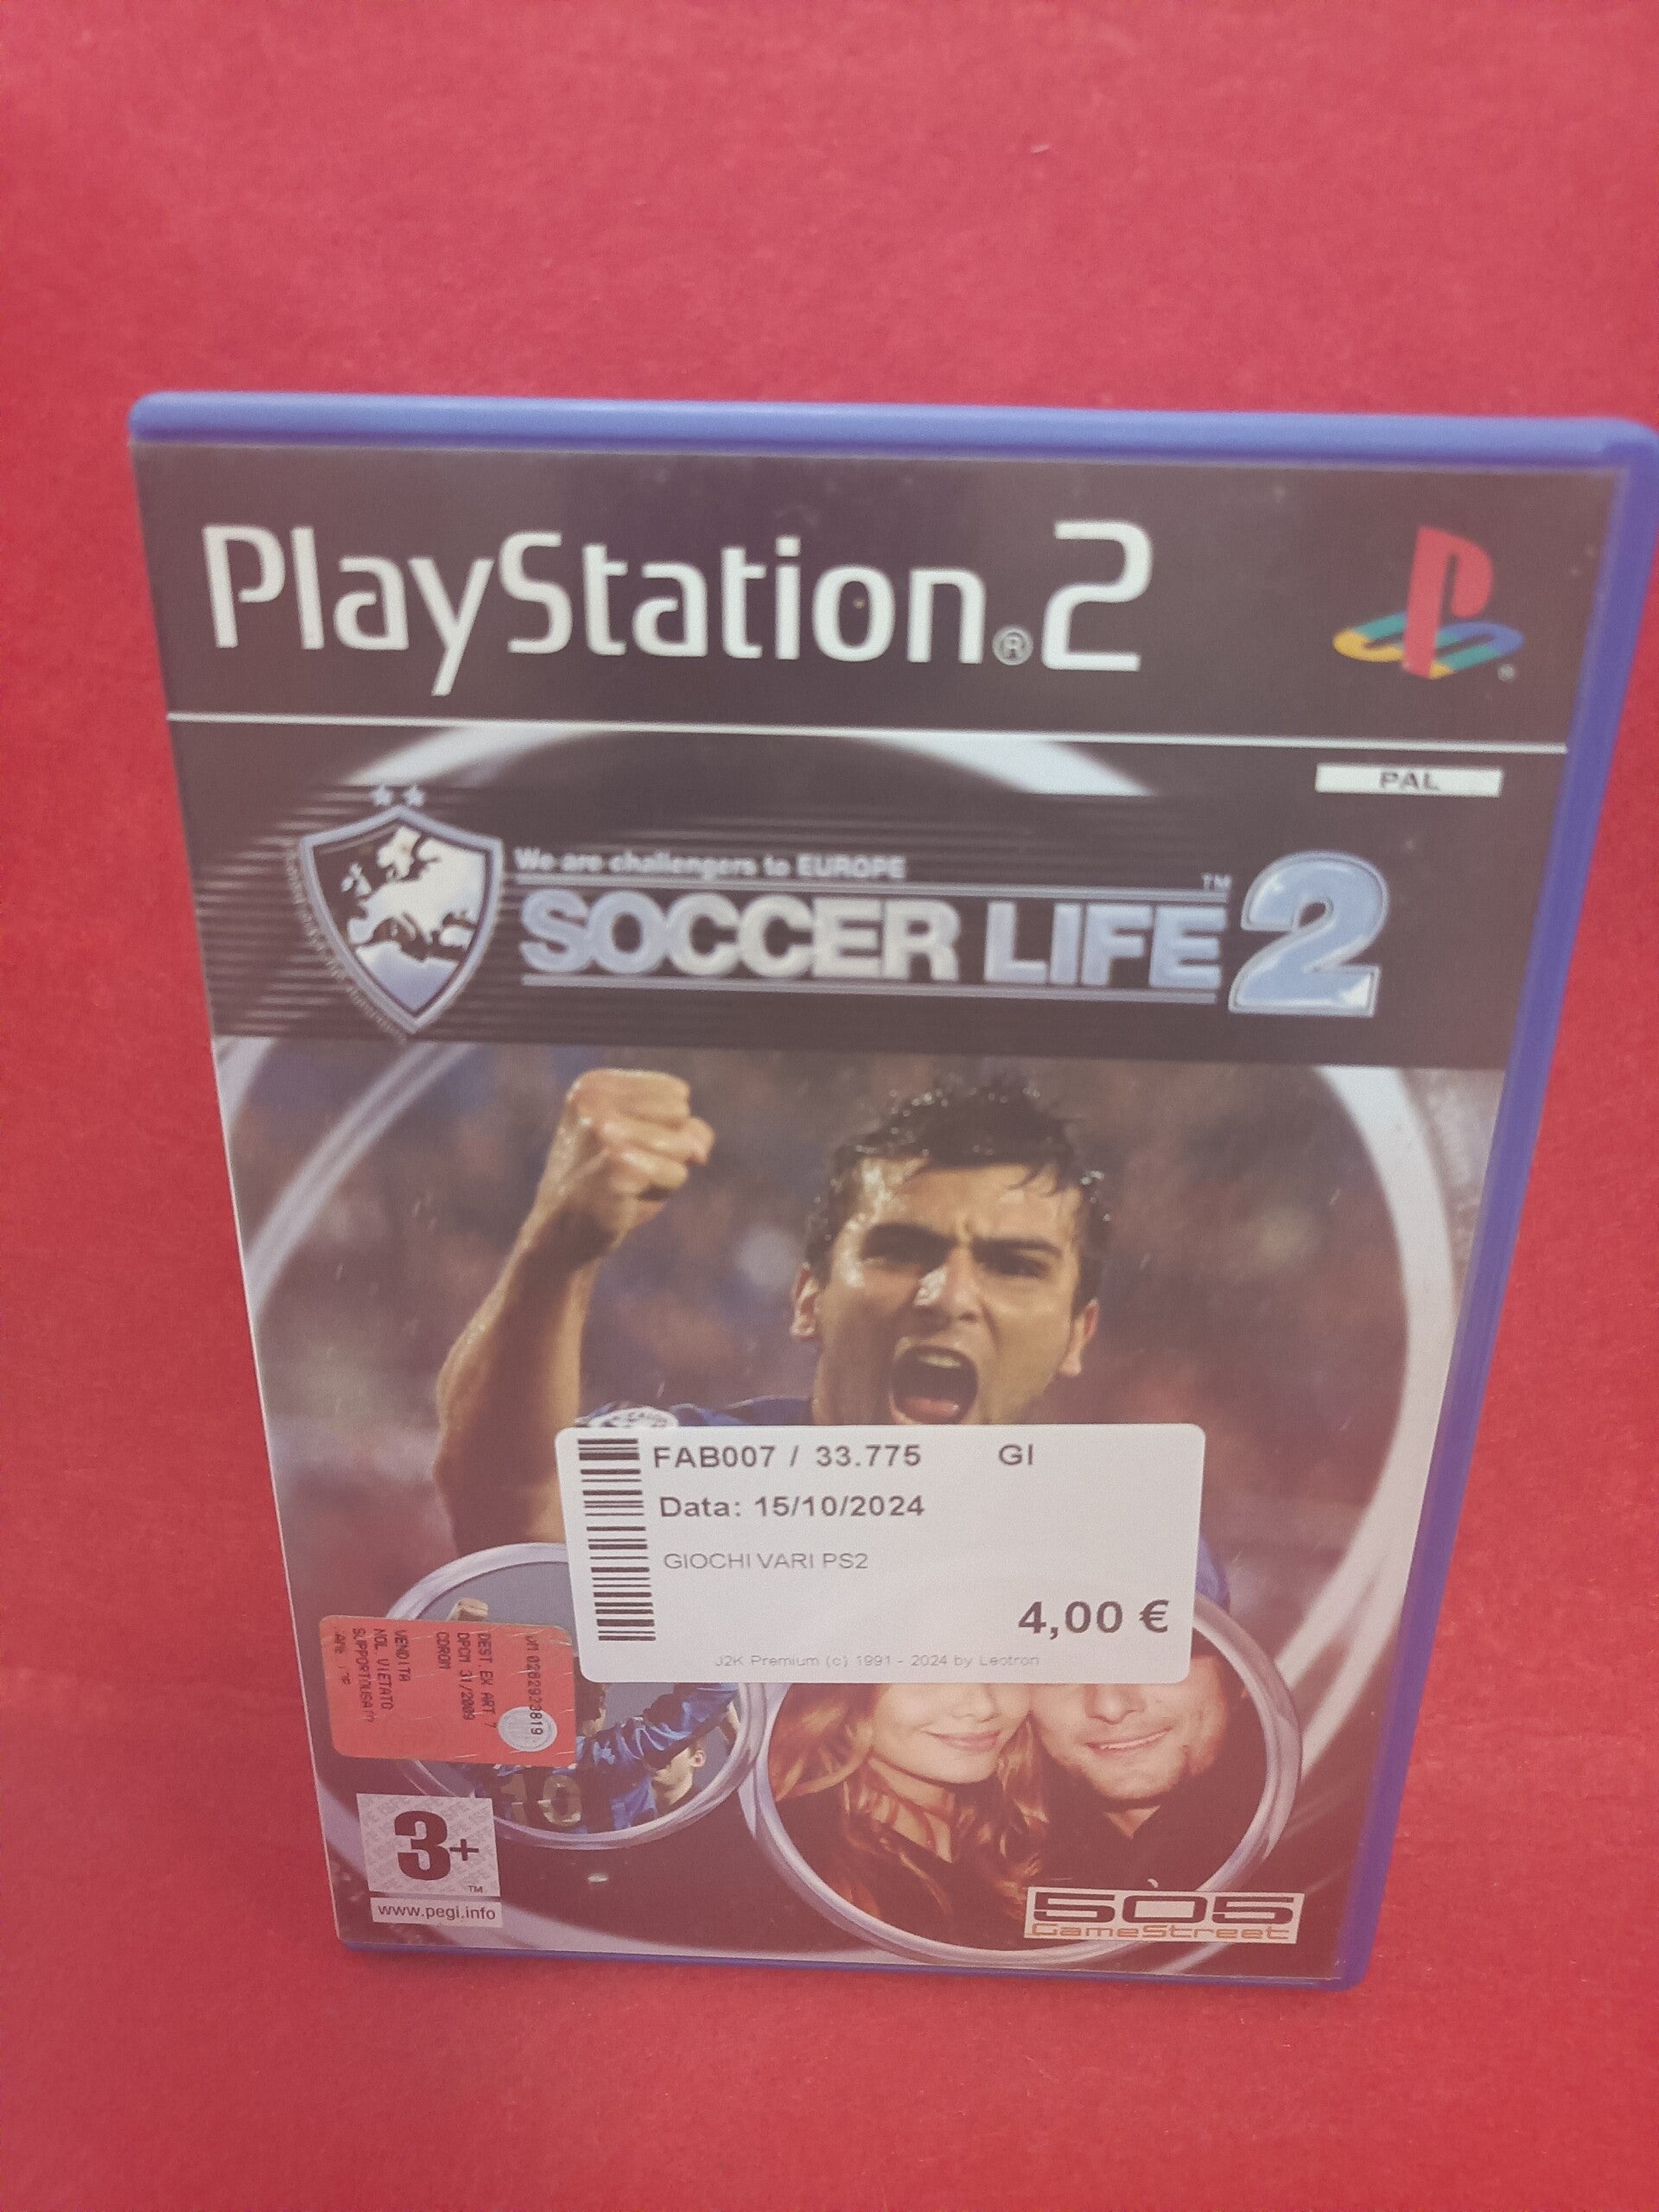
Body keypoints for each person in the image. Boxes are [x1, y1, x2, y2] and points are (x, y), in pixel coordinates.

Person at [433, 1065, 1224, 1604]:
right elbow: (512, 1518)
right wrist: (557, 1251)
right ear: (809, 1299)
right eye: (900, 1251)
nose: (948, 1297)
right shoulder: (694, 1476)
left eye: (1013, 1266)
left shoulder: (1134, 1556)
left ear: (1078, 1335)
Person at [769, 1682, 1040, 1946]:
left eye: (1005, 1668)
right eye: (931, 1673)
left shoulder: (1030, 1818)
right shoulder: (793, 1865)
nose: (984, 1707)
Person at [1028, 1641, 1267, 1891]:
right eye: (1062, 1670)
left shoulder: (1291, 1847)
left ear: (1242, 1672)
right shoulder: (1009, 1870)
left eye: (1154, 1659)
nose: (1111, 1708)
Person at [496, 1672, 737, 1835]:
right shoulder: (616, 1755)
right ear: (596, 1711)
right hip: (604, 1883)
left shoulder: (493, 1760)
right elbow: (720, 1685)